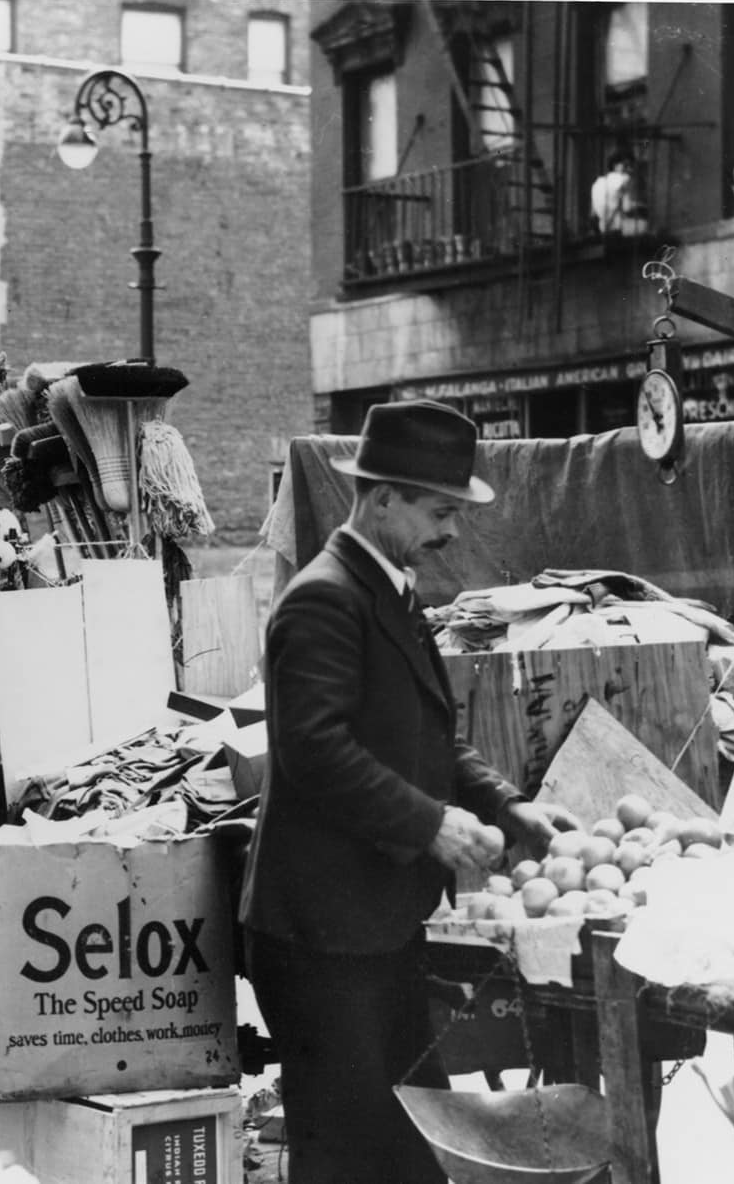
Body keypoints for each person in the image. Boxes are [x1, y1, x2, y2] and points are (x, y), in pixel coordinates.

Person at [238, 402, 577, 1184]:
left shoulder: (390, 589)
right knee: (349, 1150)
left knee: (405, 1145)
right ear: (382, 497)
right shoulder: (325, 599)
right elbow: (314, 752)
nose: (451, 532)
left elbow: (426, 732)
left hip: (376, 922)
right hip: (321, 932)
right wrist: (433, 827)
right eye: (440, 511)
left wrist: (502, 803)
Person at [590, 150, 649, 236]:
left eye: (631, 166)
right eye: (626, 165)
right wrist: (641, 206)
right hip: (619, 227)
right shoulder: (624, 179)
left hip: (603, 227)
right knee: (648, 225)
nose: (630, 169)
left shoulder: (598, 182)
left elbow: (593, 213)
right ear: (615, 165)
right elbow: (627, 207)